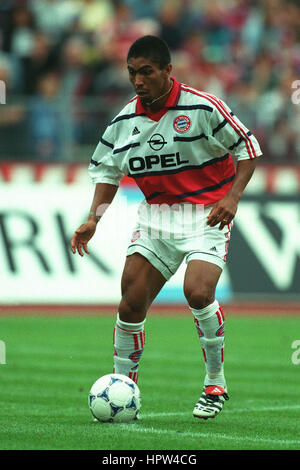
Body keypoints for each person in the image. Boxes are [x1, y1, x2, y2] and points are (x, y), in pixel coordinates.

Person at [71, 35, 262, 420]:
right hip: (156, 218)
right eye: (132, 73)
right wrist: (95, 216)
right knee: (130, 302)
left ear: (167, 71)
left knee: (197, 291)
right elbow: (107, 170)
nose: (138, 81)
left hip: (207, 213)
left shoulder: (203, 107)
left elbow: (248, 148)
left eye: (146, 72)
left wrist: (232, 198)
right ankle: (123, 386)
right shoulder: (124, 120)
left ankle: (215, 382)